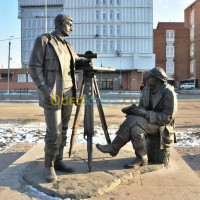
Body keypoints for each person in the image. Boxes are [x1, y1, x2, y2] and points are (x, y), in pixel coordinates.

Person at [29, 14, 91, 182]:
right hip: (52, 94)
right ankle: (48, 165)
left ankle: (59, 160)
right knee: (54, 132)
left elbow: (76, 62)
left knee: (63, 129)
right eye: (69, 24)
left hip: (69, 92)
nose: (71, 27)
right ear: (60, 24)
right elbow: (34, 67)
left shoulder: (69, 47)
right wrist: (43, 89)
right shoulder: (44, 41)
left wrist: (87, 61)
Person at [96, 67, 178, 168]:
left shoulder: (168, 93)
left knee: (132, 120)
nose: (147, 78)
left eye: (150, 77)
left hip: (162, 126)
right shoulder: (146, 90)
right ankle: (142, 158)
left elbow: (168, 118)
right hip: (148, 123)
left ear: (158, 80)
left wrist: (145, 114)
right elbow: (142, 108)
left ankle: (114, 147)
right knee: (136, 129)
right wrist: (133, 110)